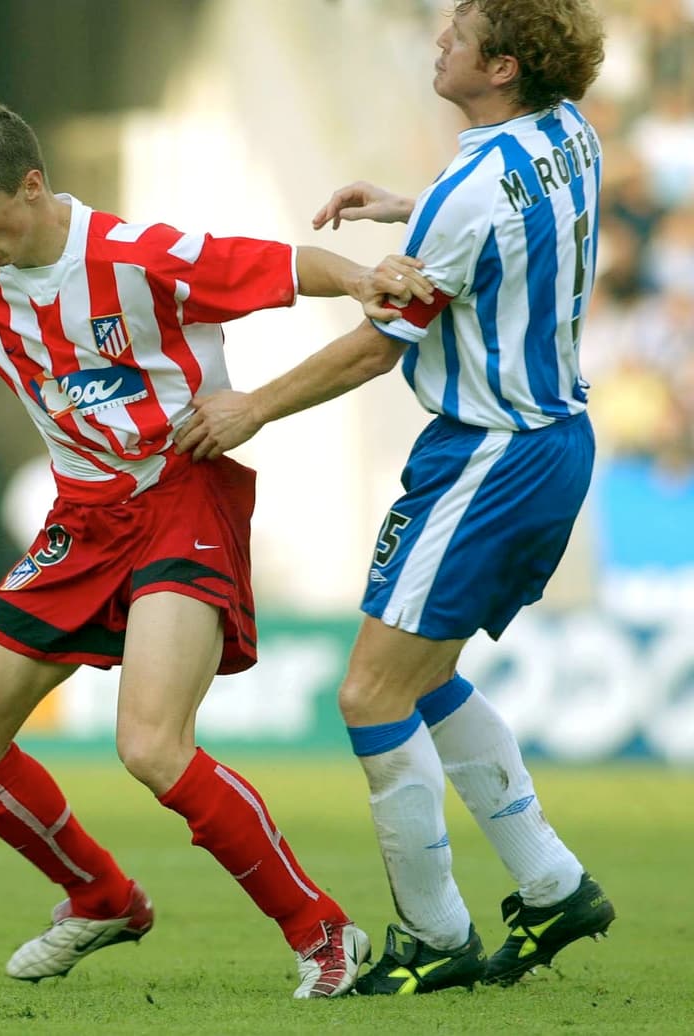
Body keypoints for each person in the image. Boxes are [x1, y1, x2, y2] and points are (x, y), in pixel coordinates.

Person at [0, 100, 433, 998]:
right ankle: (99, 895)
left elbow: (276, 264)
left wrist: (358, 280)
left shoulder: (136, 255)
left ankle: (323, 931)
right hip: (78, 522)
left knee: (152, 746)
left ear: (32, 187)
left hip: (181, 494)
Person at [175, 0, 615, 995]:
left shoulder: (464, 194)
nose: (436, 44)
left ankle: (433, 933)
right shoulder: (568, 133)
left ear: (498, 67)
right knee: (414, 680)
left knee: (368, 693)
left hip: (485, 458)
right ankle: (550, 884)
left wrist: (254, 407)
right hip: (553, 444)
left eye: (453, 37)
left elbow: (381, 340)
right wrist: (407, 210)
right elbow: (502, 209)